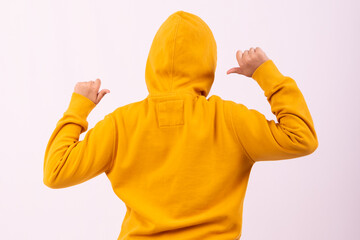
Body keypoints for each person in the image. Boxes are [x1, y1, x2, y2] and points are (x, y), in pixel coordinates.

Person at [43, 10, 318, 240]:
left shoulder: (120, 125)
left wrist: (78, 107)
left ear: (152, 61)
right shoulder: (228, 119)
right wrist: (265, 73)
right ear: (207, 63)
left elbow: (55, 172)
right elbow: (301, 137)